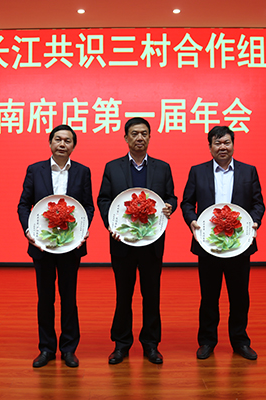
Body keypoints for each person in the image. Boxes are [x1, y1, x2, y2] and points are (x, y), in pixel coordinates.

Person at [181, 125, 265, 360]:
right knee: (209, 296)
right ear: (210, 147)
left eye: (226, 142)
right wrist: (192, 221)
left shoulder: (249, 171)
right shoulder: (197, 171)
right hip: (209, 243)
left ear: (233, 145)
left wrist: (254, 222)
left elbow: (258, 204)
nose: (222, 147)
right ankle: (207, 341)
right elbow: (187, 203)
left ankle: (240, 341)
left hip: (239, 244)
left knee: (240, 296)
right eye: (217, 143)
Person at [97, 117, 177, 365]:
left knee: (151, 295)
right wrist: (111, 225)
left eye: (144, 133)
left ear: (150, 137)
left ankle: (151, 345)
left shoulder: (163, 167)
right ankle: (121, 345)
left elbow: (171, 197)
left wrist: (169, 206)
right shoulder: (112, 167)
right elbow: (103, 200)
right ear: (126, 138)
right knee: (123, 295)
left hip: (152, 242)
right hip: (122, 242)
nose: (139, 138)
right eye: (134, 134)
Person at [17, 125, 94, 368]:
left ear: (73, 146)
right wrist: (29, 232)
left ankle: (69, 349)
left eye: (67, 141)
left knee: (69, 298)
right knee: (45, 298)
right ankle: (47, 348)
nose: (62, 144)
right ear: (50, 143)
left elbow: (88, 206)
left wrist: (83, 229)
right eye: (58, 139)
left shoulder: (83, 171)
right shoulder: (35, 170)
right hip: (42, 246)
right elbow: (23, 205)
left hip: (71, 245)